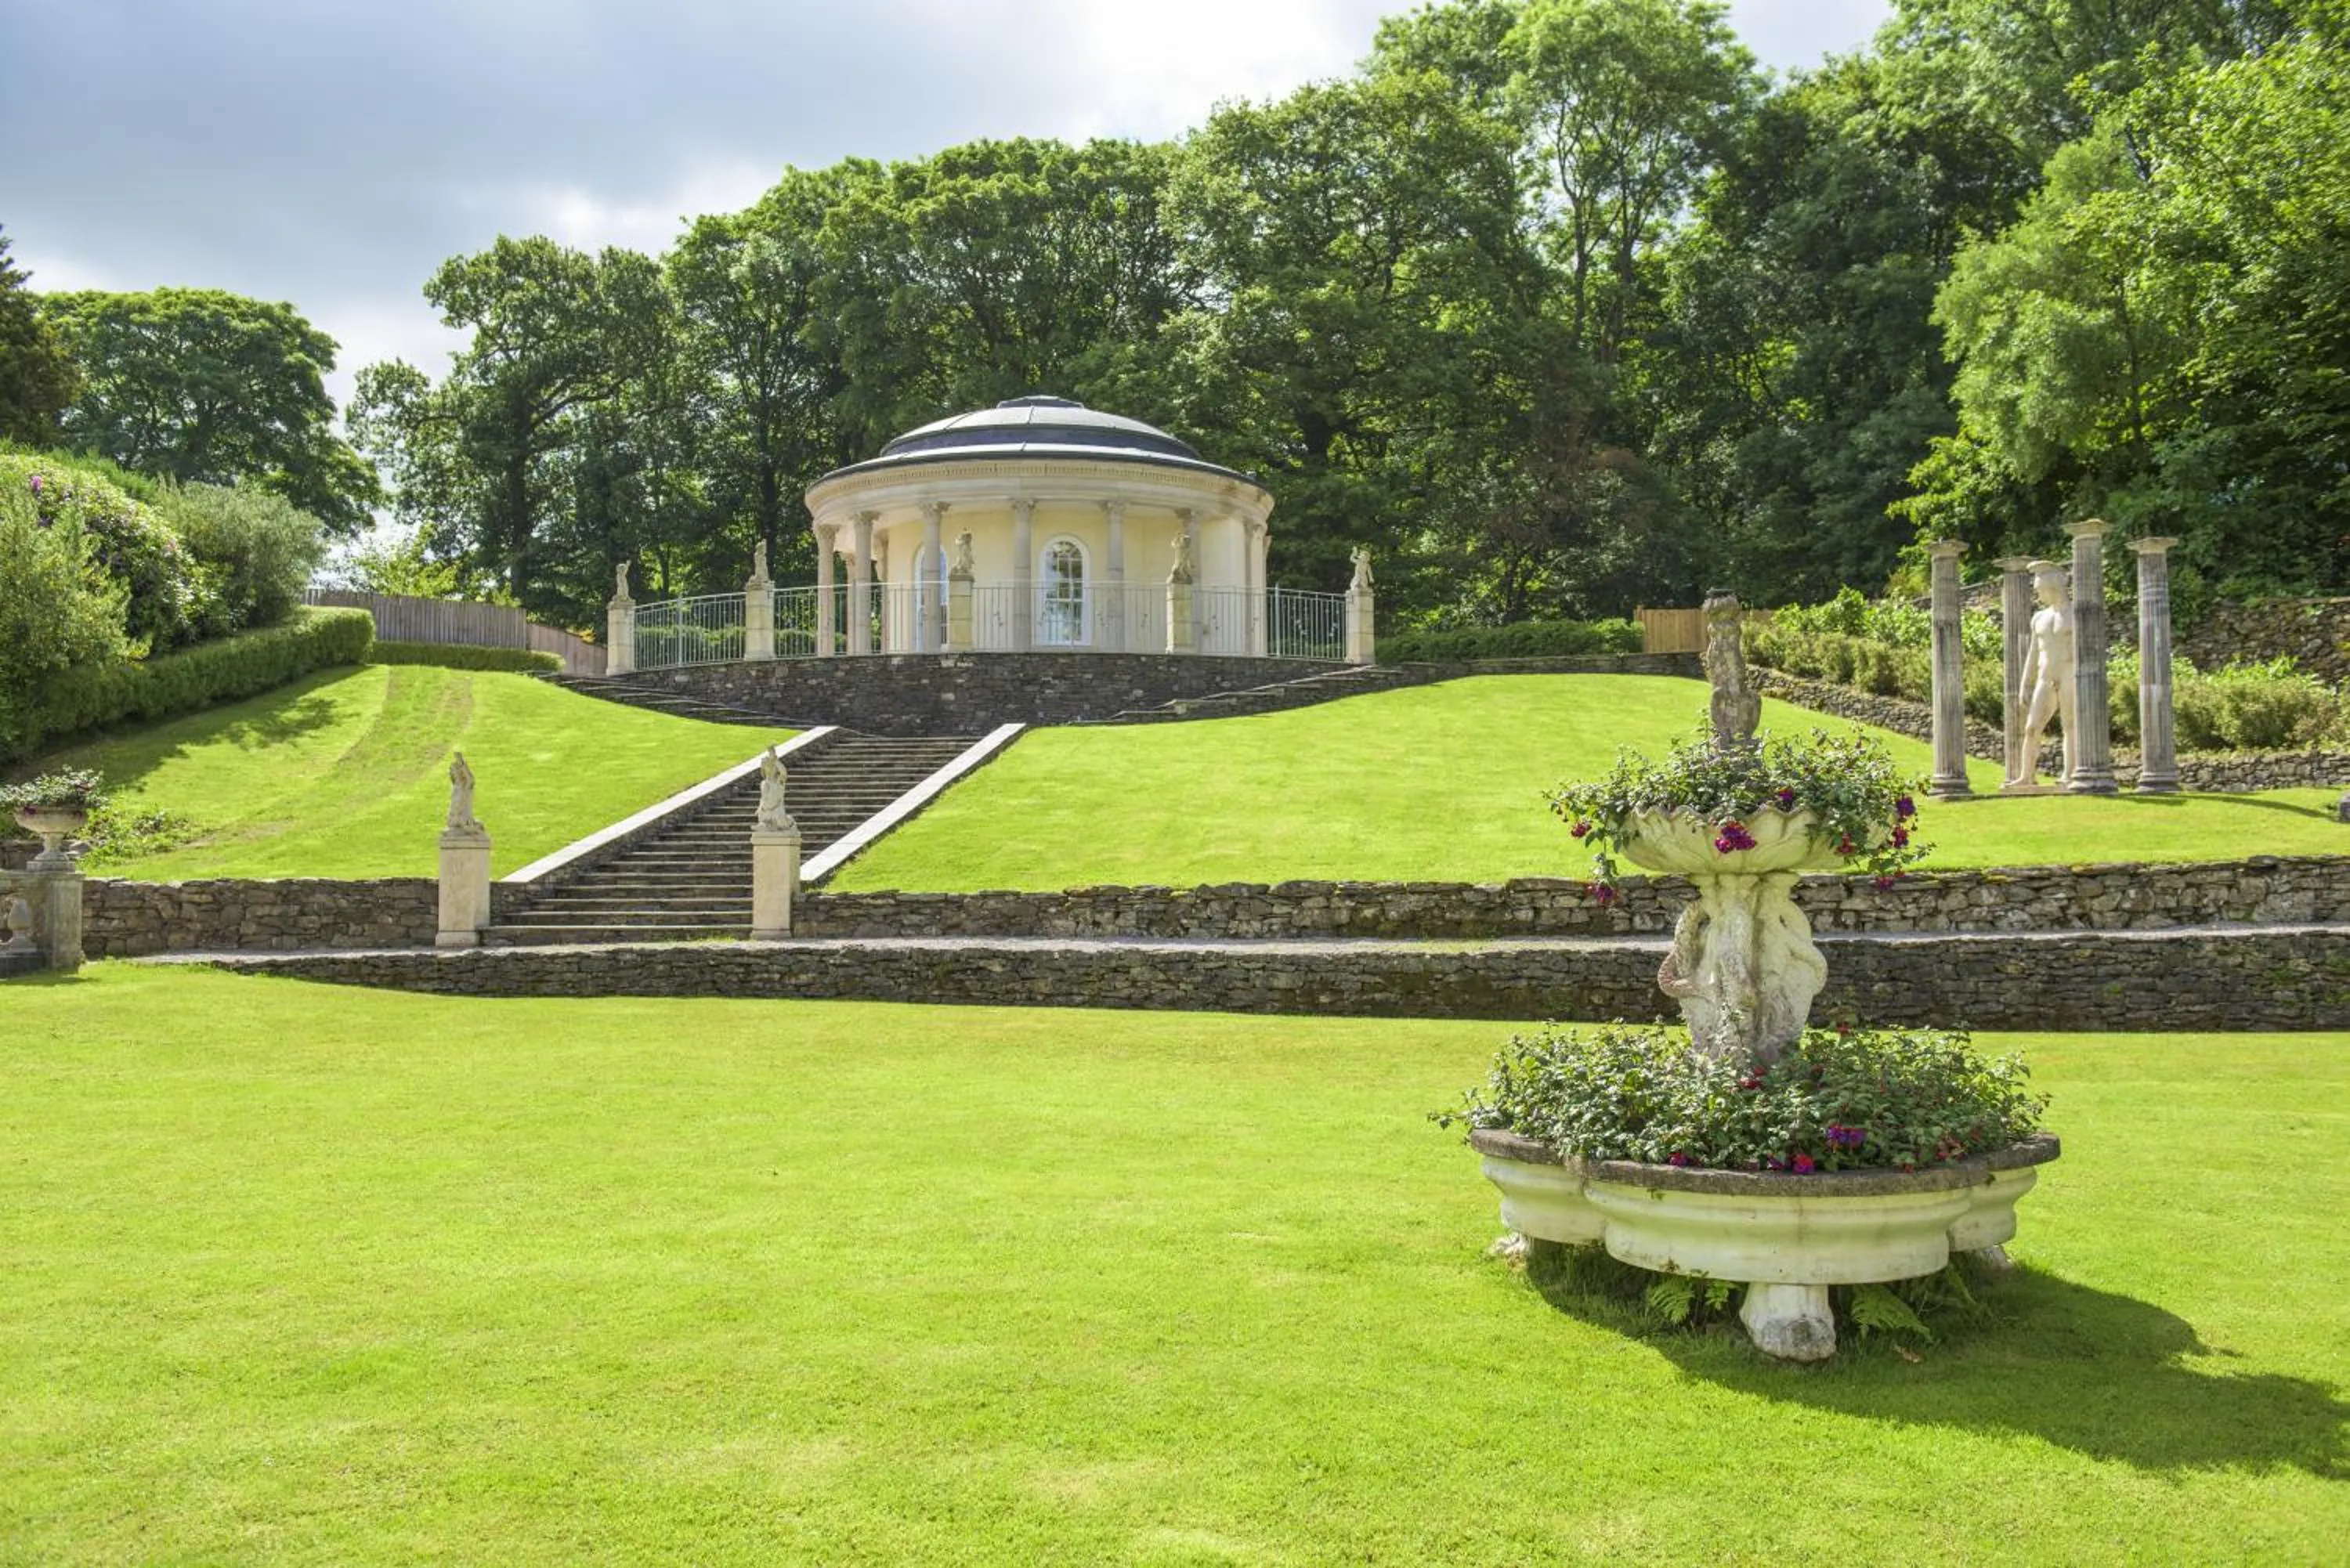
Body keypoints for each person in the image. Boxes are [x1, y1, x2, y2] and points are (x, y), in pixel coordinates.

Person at [2007, 564, 2076, 789]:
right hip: (2045, 678)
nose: (2038, 595)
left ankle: (2070, 774)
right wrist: (2025, 683)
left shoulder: (2075, 614)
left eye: (2041, 590)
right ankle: (2026, 776)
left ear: (2053, 587)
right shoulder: (2039, 617)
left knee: (2070, 726)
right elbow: (2033, 653)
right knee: (2031, 727)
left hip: (2069, 674)